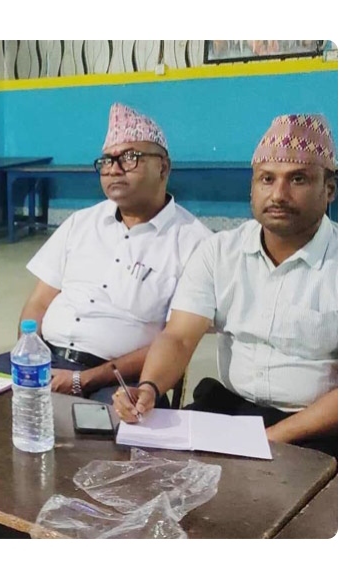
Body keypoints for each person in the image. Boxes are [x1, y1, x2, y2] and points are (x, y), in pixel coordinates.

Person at [114, 114, 338, 457]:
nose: (278, 194)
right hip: (230, 411)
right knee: (141, 468)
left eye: (298, 179)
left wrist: (267, 439)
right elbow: (179, 337)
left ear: (329, 189)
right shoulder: (219, 252)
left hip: (316, 428)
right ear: (252, 187)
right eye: (267, 179)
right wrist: (149, 388)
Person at [0, 103, 212, 404]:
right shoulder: (81, 223)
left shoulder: (196, 243)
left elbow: (176, 340)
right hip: (44, 363)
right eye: (106, 161)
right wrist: (31, 356)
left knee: (111, 430)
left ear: (163, 167)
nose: (114, 169)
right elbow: (38, 301)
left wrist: (84, 380)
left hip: (121, 381)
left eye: (130, 158)